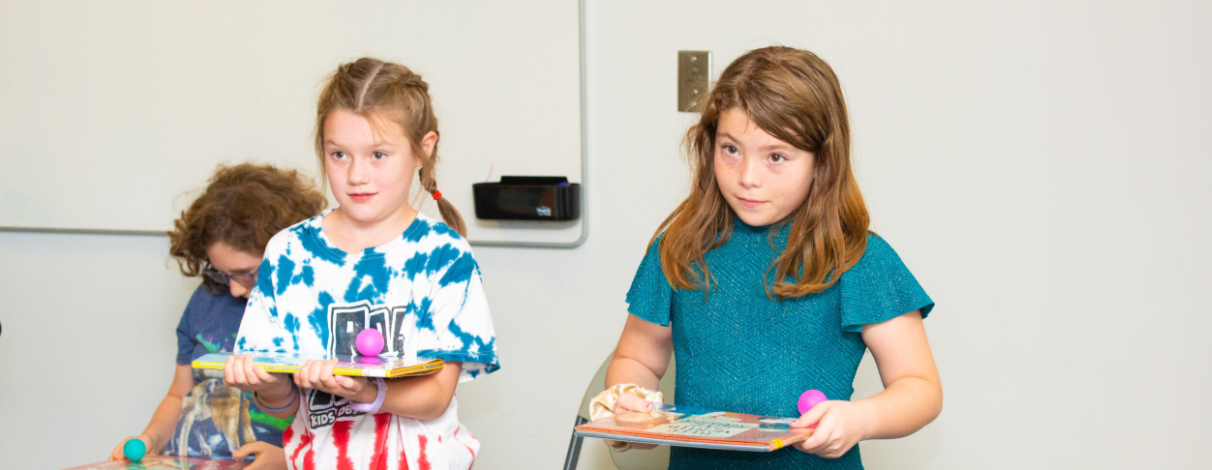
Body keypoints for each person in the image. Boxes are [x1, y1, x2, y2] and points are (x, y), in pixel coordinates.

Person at [594, 46, 943, 469]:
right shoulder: (679, 247)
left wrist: (861, 418)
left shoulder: (859, 258)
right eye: (730, 149)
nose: (747, 177)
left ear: (823, 161)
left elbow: (920, 387)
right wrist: (632, 405)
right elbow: (637, 359)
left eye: (776, 156)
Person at [225, 58, 499, 470]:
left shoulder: (444, 255)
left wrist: (367, 392)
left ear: (423, 149)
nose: (356, 175)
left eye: (378, 155)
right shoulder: (288, 253)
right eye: (339, 154)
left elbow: (436, 397)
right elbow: (283, 410)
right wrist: (266, 385)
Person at [111, 163, 327, 468]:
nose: (234, 290)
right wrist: (151, 440)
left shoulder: (319, 314)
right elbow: (178, 396)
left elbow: (342, 421)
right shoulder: (207, 298)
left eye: (247, 275)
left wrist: (287, 460)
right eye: (222, 273)